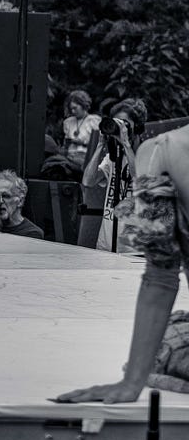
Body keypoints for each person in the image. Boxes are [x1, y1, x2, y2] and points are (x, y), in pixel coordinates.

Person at [55, 121, 189, 406]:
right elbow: (160, 274)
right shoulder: (159, 153)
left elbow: (161, 277)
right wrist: (132, 383)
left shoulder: (161, 152)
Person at [79, 95, 147, 251]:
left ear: (136, 127)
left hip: (133, 250)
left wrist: (126, 144)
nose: (120, 129)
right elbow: (88, 181)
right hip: (106, 244)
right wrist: (99, 145)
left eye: (124, 124)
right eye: (117, 123)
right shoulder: (113, 158)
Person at [58, 88, 99, 177]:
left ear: (83, 105)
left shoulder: (94, 120)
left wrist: (82, 142)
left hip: (86, 158)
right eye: (71, 109)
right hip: (69, 157)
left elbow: (98, 144)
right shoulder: (68, 122)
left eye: (75, 108)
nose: (73, 111)